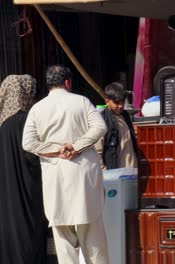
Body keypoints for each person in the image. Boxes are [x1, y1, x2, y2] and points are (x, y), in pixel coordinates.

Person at [22, 65, 109, 264]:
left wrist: (56, 150)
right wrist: (76, 147)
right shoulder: (82, 102)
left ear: (49, 84)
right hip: (84, 179)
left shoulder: (37, 108)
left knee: (64, 243)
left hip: (56, 179)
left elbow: (28, 143)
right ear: (68, 82)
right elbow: (100, 127)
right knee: (93, 240)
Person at [0, 75, 48, 264]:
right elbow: (35, 156)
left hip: (6, 193)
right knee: (29, 235)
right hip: (28, 191)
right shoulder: (26, 121)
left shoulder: (3, 123)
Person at [95, 82, 137, 170]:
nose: (121, 106)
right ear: (107, 101)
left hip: (131, 170)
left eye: (122, 102)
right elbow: (97, 152)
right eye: (117, 102)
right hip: (114, 173)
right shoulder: (102, 120)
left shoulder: (125, 116)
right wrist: (104, 172)